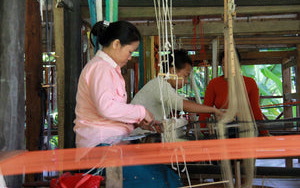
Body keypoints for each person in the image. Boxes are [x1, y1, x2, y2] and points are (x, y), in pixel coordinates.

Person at [73, 20, 182, 188]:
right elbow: (106, 108)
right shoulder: (101, 68)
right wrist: (141, 112)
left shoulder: (109, 69)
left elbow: (111, 110)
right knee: (157, 181)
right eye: (130, 51)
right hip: (99, 150)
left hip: (111, 146)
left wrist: (138, 122)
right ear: (116, 44)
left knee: (167, 175)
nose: (130, 57)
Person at [131, 49, 223, 137]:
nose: (186, 81)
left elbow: (181, 100)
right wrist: (214, 110)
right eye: (185, 76)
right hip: (136, 138)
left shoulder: (163, 86)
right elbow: (181, 104)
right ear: (172, 71)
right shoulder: (160, 85)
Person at [199, 50, 270, 137]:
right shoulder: (214, 84)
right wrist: (201, 130)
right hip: (222, 130)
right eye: (223, 64)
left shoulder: (250, 83)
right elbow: (206, 109)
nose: (226, 68)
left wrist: (264, 132)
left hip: (245, 128)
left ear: (238, 65)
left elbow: (255, 109)